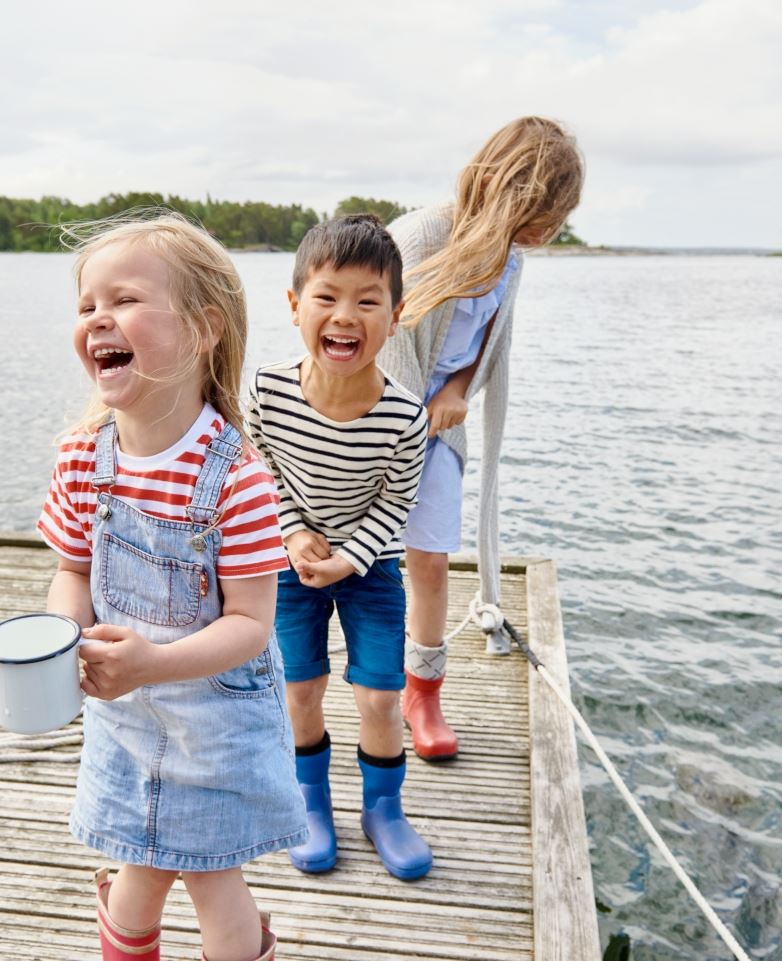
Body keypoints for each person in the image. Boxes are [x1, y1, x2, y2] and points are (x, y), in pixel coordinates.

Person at [33, 211, 306, 961]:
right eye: (86, 305)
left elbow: (252, 624)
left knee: (213, 877)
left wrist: (152, 662)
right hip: (124, 720)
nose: (97, 319)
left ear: (203, 327)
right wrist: (56, 655)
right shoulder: (83, 458)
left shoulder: (237, 478)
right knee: (137, 867)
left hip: (215, 723)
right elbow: (73, 573)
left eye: (123, 300)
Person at [381, 116, 584, 761]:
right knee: (353, 562)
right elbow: (374, 331)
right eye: (539, 215)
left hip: (440, 426)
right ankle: (346, 682)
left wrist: (456, 392)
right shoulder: (419, 237)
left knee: (432, 561)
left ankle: (423, 690)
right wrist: (405, 416)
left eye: (555, 221)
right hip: (374, 418)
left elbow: (487, 343)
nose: (545, 233)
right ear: (503, 188)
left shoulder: (511, 262)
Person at [247, 214, 433, 880]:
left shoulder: (405, 416)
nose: (344, 316)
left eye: (367, 299)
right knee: (301, 687)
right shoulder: (268, 390)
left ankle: (383, 809)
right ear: (296, 305)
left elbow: (396, 503)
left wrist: (350, 557)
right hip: (292, 563)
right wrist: (295, 533)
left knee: (381, 695)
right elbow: (260, 464)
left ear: (397, 312)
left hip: (370, 567)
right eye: (326, 297)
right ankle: (310, 800)